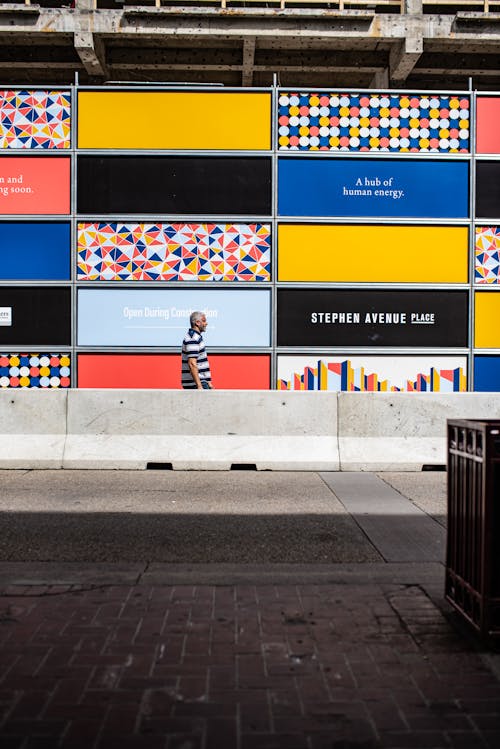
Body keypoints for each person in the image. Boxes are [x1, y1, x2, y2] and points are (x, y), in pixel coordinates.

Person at [181, 310, 213, 390]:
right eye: (204, 321)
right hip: (196, 384)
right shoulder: (193, 338)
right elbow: (192, 363)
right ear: (197, 323)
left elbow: (200, 363)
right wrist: (199, 386)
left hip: (201, 383)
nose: (206, 323)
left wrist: (208, 382)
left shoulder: (196, 337)